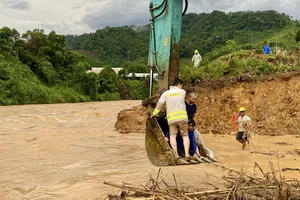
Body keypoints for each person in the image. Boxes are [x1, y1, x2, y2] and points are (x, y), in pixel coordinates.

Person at [151, 78, 189, 162]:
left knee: (172, 136)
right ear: (179, 84)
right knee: (185, 136)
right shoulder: (183, 92)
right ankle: (187, 154)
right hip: (182, 118)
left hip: (171, 119)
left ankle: (176, 154)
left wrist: (154, 113)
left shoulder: (166, 93)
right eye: (181, 85)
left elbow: (159, 104)